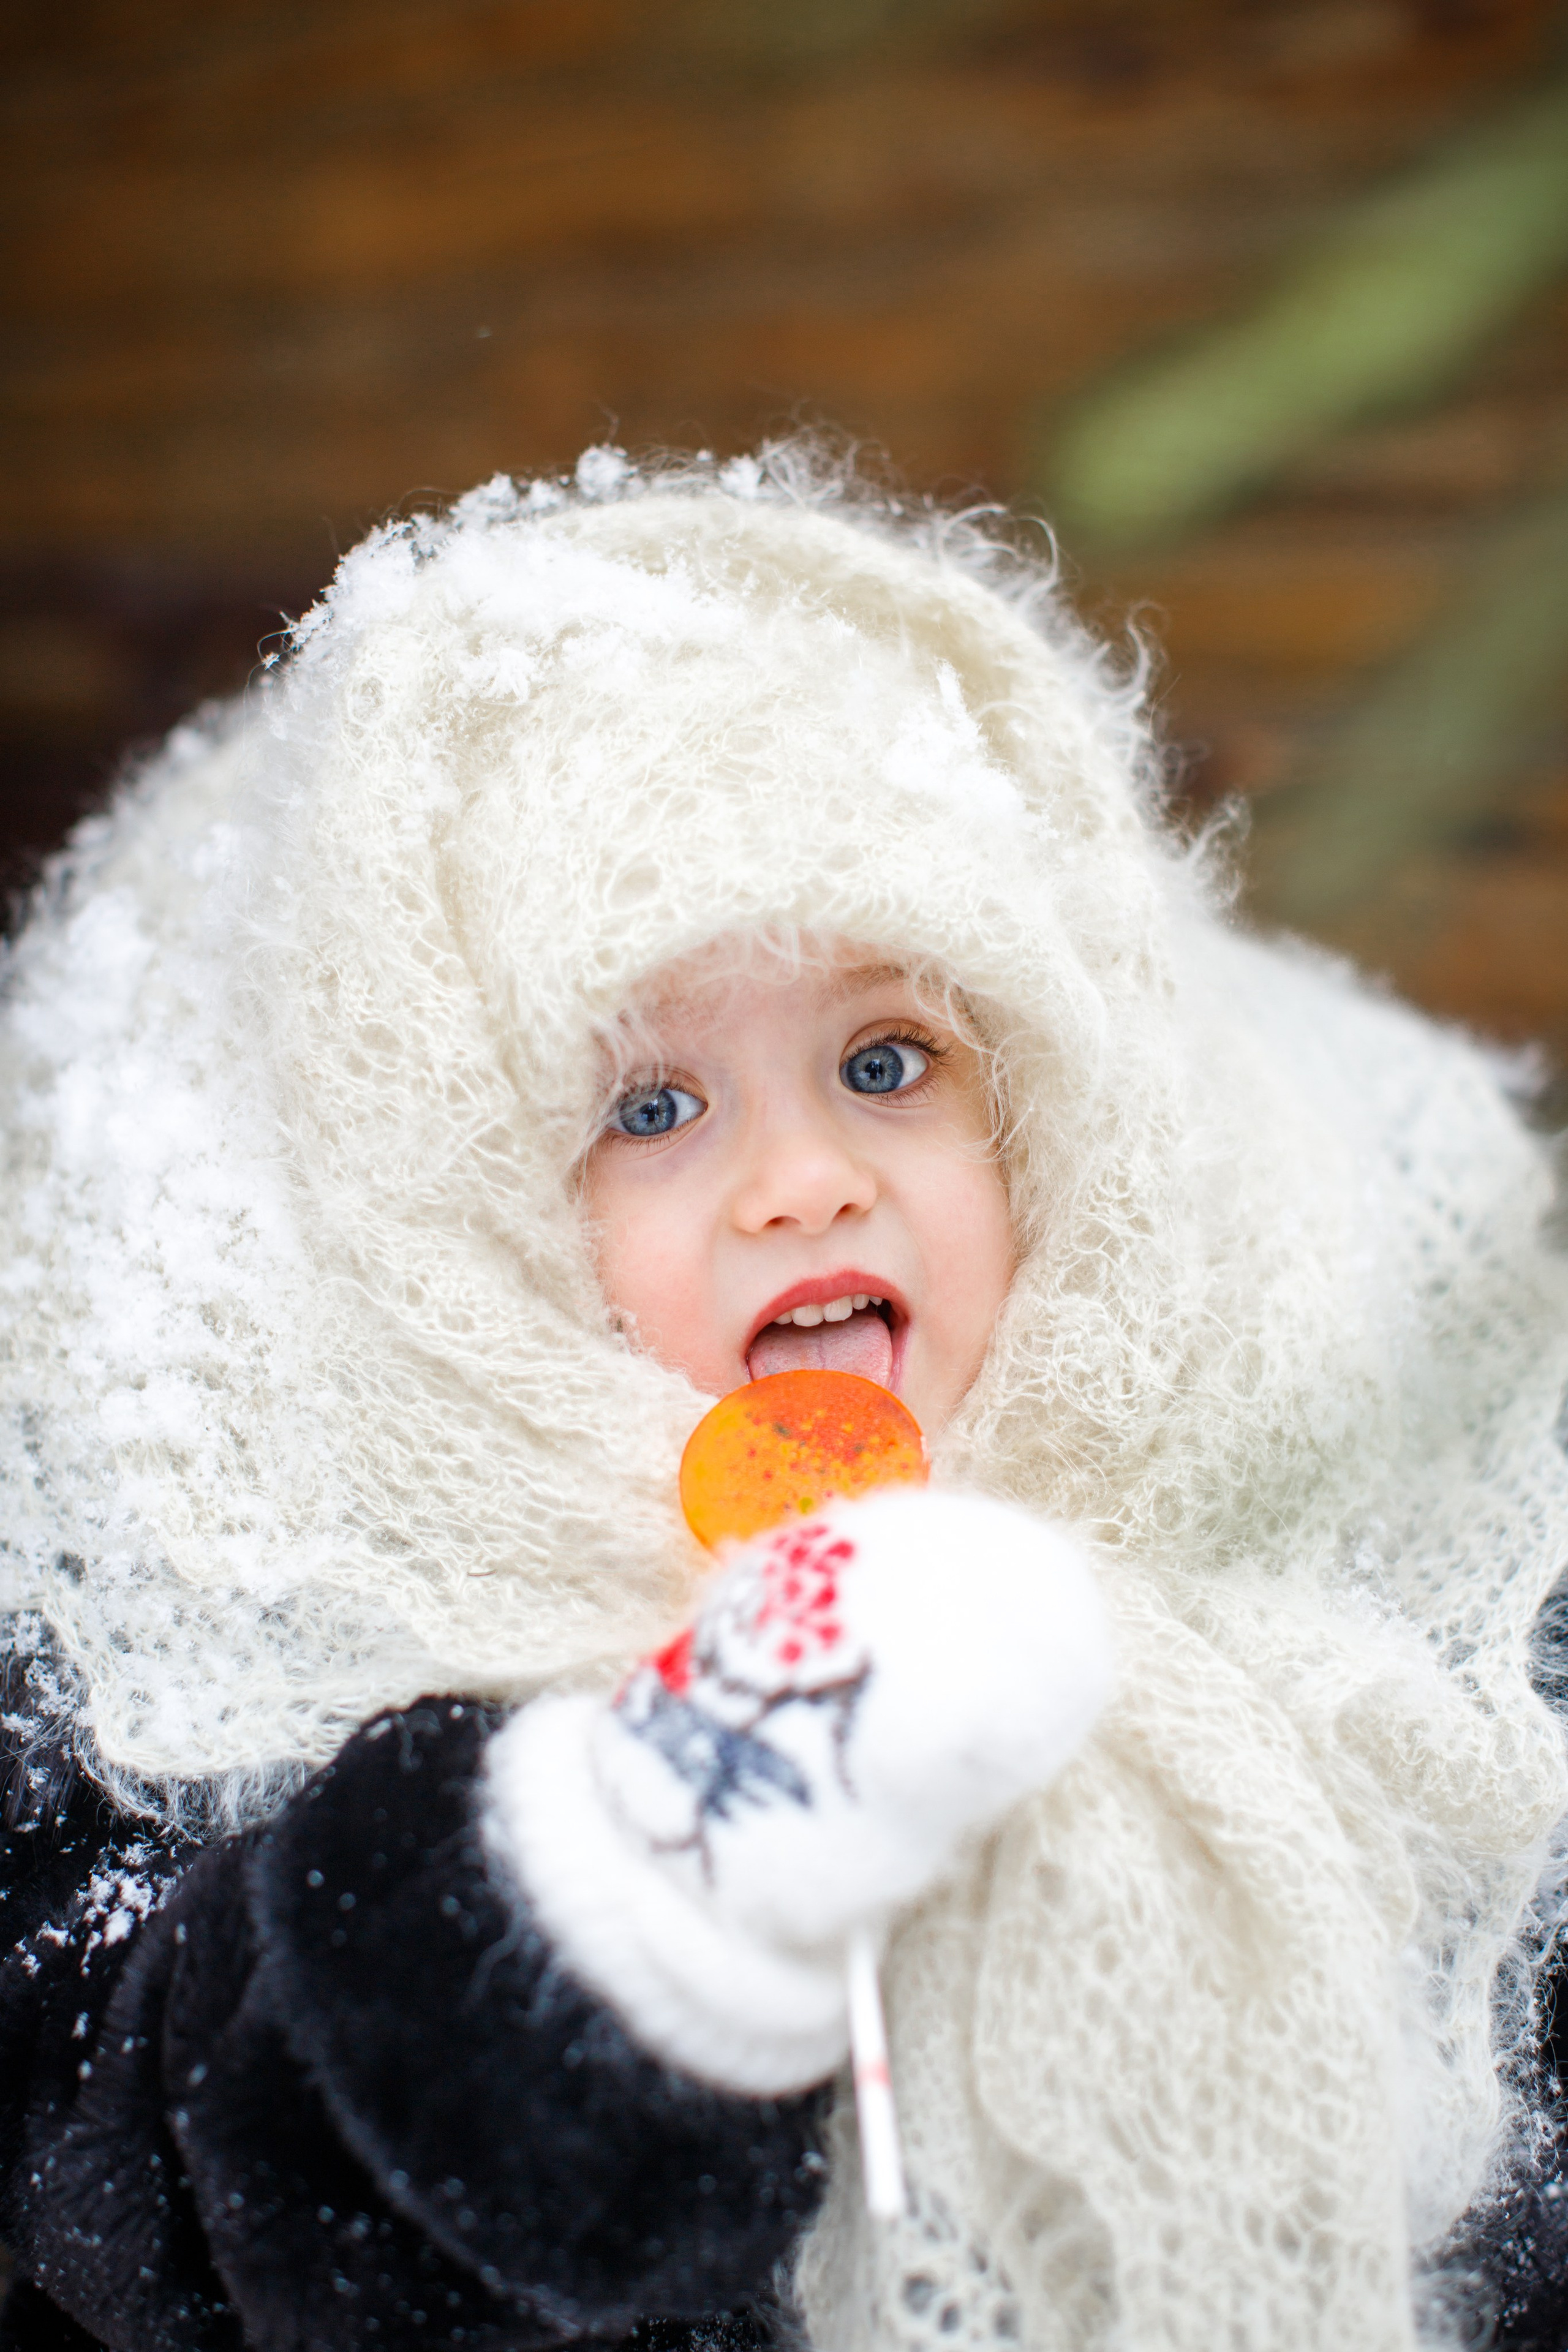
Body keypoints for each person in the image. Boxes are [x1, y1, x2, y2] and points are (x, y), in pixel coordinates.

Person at [0, 443, 1566, 2352]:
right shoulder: (232, 1604)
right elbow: (135, 2196)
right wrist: (626, 1894)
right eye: (651, 1109)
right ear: (439, 1206)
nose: (808, 1179)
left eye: (889, 1059)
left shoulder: (1326, 1411)